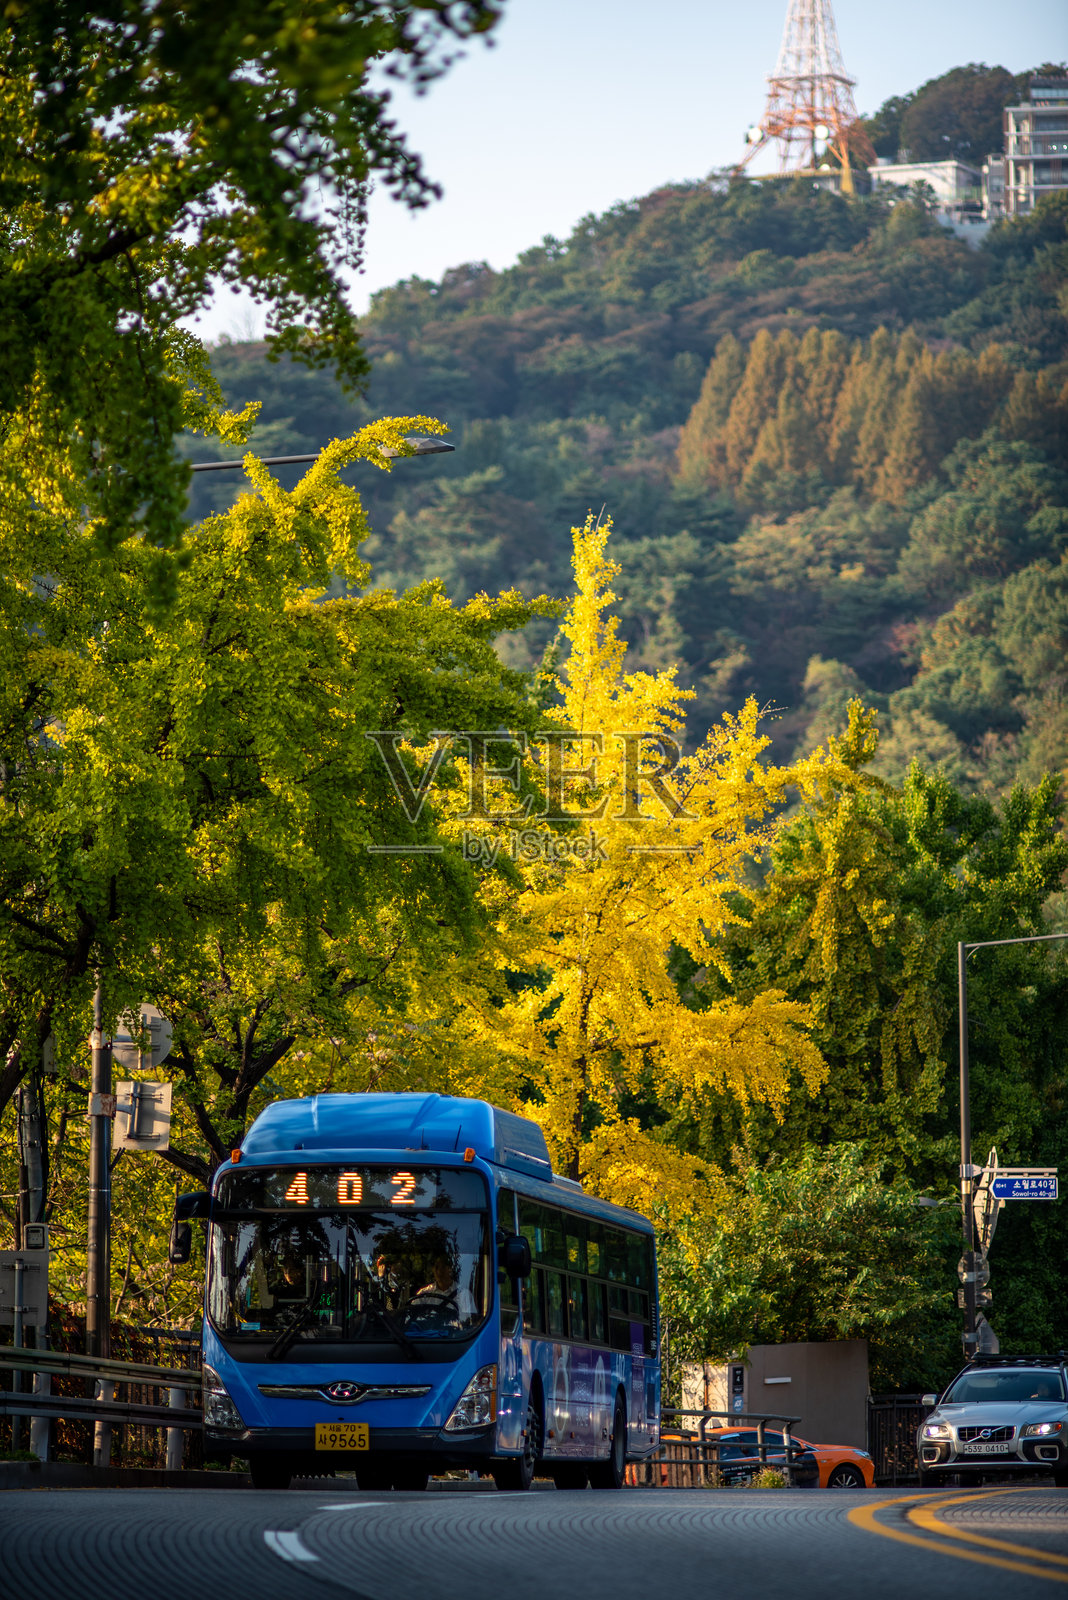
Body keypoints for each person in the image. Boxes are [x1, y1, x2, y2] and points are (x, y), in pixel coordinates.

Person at [410, 1253, 477, 1325]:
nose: (437, 1271)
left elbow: (469, 1321)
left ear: (450, 1269)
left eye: (441, 1267)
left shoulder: (464, 1294)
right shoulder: (424, 1294)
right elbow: (411, 1315)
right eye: (435, 1267)